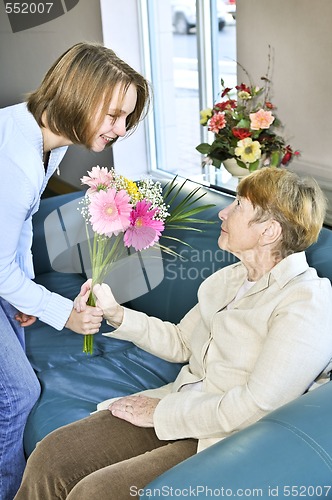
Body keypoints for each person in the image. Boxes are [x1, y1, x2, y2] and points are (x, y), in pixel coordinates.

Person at [15, 168, 332, 500]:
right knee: (54, 452)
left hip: (225, 439)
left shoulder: (306, 302)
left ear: (268, 231)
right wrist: (116, 313)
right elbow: (182, 341)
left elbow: (256, 406)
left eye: (239, 205)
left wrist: (159, 413)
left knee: (96, 493)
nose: (224, 211)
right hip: (179, 404)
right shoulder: (231, 278)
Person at [0, 41, 150, 499]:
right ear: (77, 96)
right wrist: (59, 311)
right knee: (17, 396)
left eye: (126, 118)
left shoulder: (47, 143)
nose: (121, 130)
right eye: (113, 116)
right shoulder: (16, 158)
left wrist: (22, 288)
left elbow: (18, 223)